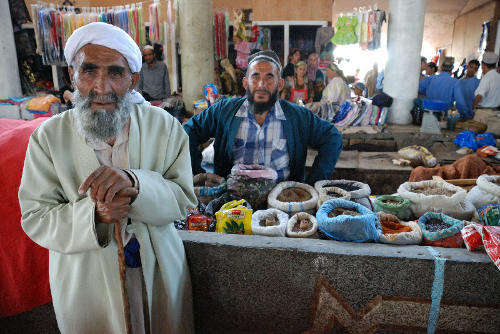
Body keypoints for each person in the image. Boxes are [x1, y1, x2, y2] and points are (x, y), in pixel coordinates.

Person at [19, 22, 197, 334]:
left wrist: (136, 184)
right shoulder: (48, 137)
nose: (102, 87)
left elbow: (183, 199)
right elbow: (36, 216)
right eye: (89, 71)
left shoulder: (166, 127)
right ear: (73, 77)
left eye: (116, 72)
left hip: (159, 274)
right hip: (85, 281)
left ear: (134, 81)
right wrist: (94, 214)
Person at [183, 50, 343, 186]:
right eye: (256, 77)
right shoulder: (224, 111)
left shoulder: (298, 116)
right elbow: (187, 133)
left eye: (269, 78)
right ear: (245, 83)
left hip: (282, 203)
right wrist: (198, 174)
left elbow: (332, 138)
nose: (261, 84)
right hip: (232, 205)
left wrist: (314, 183)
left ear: (280, 85)